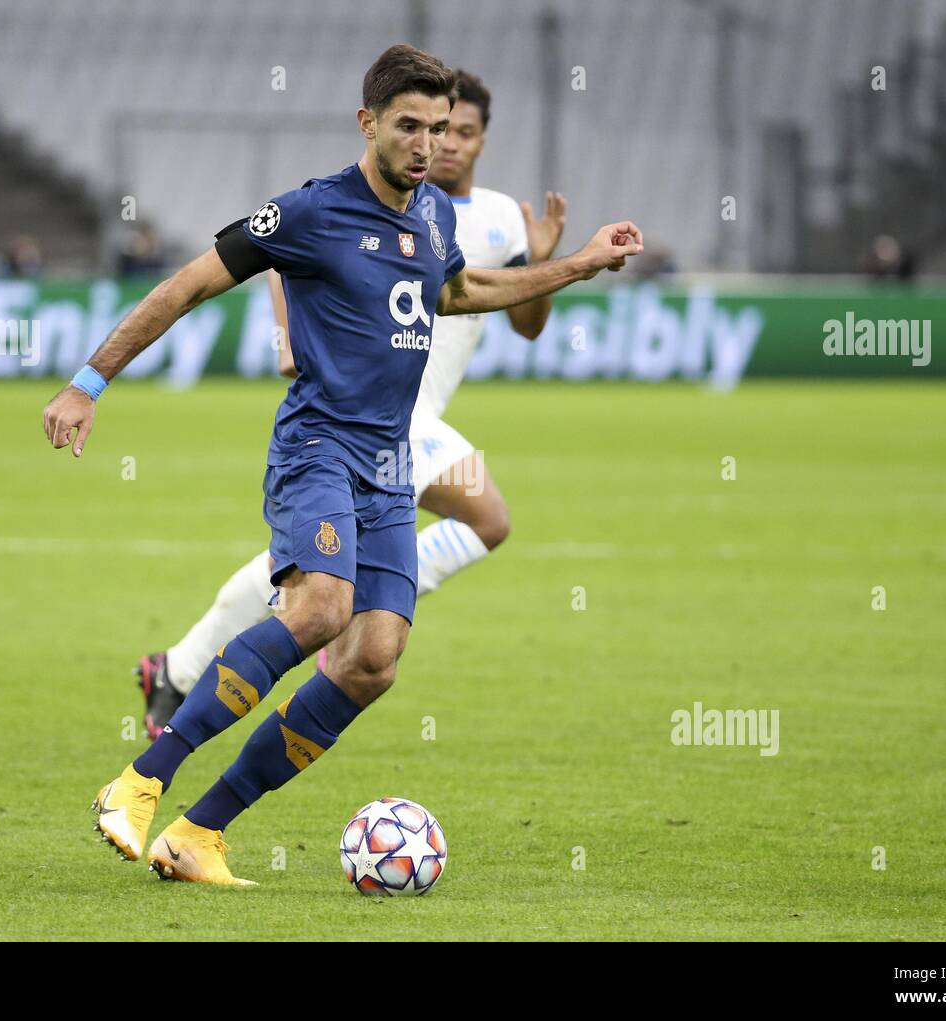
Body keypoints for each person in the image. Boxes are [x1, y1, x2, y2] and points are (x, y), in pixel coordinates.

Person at [41, 44, 642, 886]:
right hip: (318, 445)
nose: (427, 143)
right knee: (321, 609)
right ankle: (143, 776)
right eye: (409, 126)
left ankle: (198, 834)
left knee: (373, 660)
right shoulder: (309, 212)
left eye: (439, 128)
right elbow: (185, 286)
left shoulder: (433, 217)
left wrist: (578, 263)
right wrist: (88, 381)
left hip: (391, 463)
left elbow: (460, 293)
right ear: (368, 123)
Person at [136, 68, 569, 738]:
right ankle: (191, 668)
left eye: (461, 132)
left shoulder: (500, 217)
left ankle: (181, 666)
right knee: (483, 518)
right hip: (368, 420)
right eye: (433, 129)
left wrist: (545, 263)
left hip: (414, 419)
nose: (444, 144)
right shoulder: (365, 197)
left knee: (313, 577)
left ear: (482, 140)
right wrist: (286, 334)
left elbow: (529, 323)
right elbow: (281, 256)